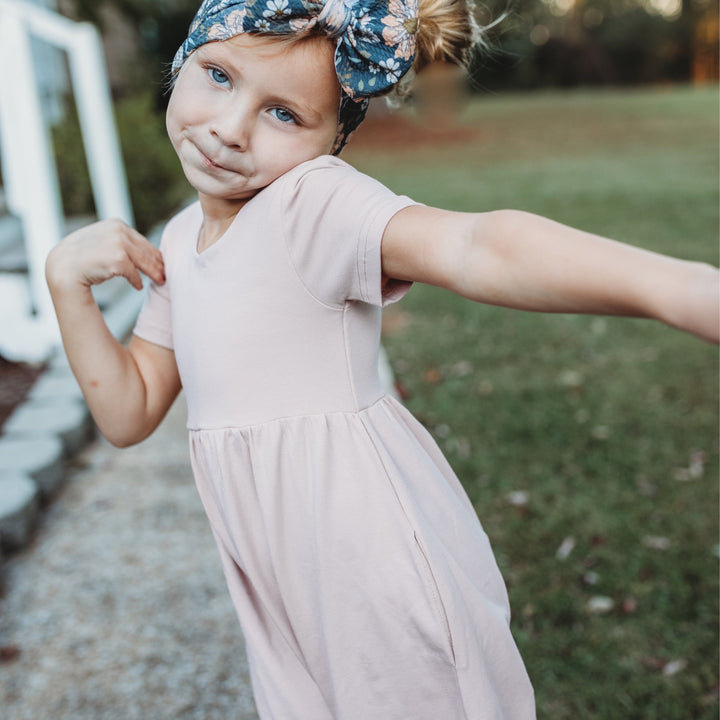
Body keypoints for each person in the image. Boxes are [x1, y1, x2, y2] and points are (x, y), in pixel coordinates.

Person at [45, 0, 718, 717]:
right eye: (218, 75)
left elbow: (473, 245)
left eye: (283, 115)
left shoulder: (309, 204)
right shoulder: (179, 244)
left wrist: (675, 288)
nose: (230, 128)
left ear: (333, 138)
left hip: (363, 554)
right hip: (276, 581)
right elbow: (130, 409)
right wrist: (66, 284)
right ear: (182, 60)